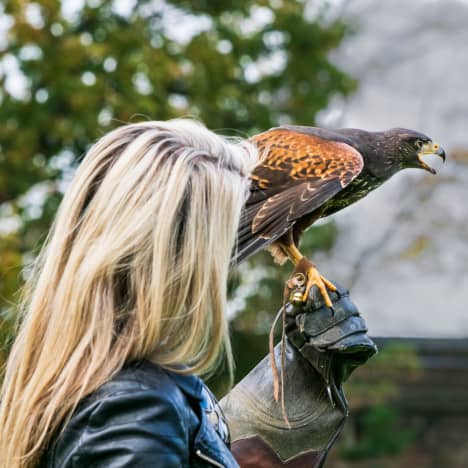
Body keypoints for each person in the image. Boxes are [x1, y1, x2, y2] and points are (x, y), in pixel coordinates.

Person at [0, 118, 376, 468]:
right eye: (230, 225)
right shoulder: (133, 413)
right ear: (177, 247)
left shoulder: (120, 387)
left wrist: (292, 391)